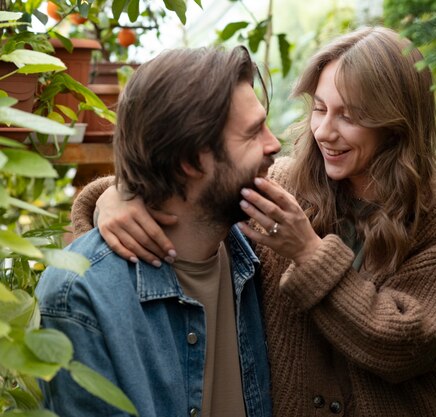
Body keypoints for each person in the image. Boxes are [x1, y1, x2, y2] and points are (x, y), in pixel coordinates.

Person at [71, 26, 436, 416]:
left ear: (396, 124)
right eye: (319, 108)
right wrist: (110, 196)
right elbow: (195, 190)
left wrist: (308, 251)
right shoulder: (285, 184)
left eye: (349, 117)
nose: (324, 131)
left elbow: (405, 345)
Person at [36, 46, 280, 417]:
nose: (274, 143)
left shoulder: (263, 249)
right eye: (252, 134)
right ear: (190, 161)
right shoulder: (81, 297)